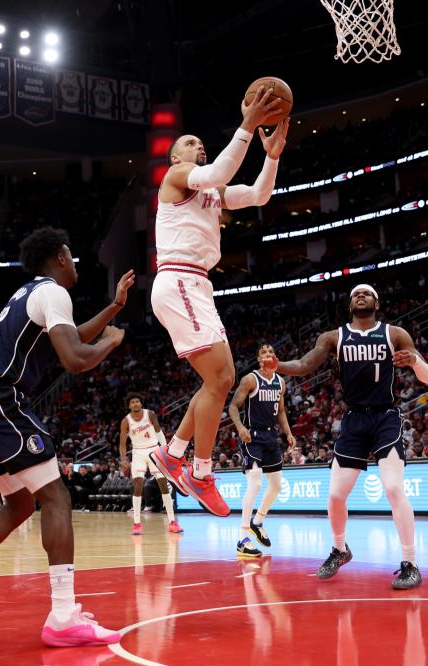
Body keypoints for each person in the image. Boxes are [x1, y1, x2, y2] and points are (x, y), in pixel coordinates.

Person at [0, 227, 133, 647]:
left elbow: (71, 337)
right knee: (57, 496)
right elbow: (74, 358)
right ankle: (63, 615)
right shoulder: (53, 292)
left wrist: (113, 308)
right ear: (58, 256)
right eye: (71, 255)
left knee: (19, 502)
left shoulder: (30, 294)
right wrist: (111, 343)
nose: (75, 264)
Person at [148, 88, 288, 517]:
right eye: (189, 143)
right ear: (175, 159)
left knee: (218, 381)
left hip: (197, 286)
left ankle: (173, 455)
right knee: (222, 377)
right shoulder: (175, 179)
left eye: (199, 143)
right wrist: (246, 125)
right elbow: (221, 169)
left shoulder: (212, 193)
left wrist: (273, 155)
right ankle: (199, 472)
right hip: (178, 280)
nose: (198, 146)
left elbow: (259, 195)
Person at [267, 284, 428, 589]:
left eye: (367, 292)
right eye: (355, 292)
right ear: (349, 305)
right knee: (334, 497)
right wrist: (278, 366)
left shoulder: (394, 334)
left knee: (394, 489)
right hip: (354, 419)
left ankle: (410, 562)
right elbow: (304, 366)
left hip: (386, 416)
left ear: (377, 302)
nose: (360, 295)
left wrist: (415, 362)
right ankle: (340, 550)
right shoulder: (334, 337)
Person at [227, 343, 296, 558]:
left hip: (271, 436)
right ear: (259, 359)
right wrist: (240, 428)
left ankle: (258, 521)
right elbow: (232, 406)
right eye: (264, 353)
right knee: (255, 481)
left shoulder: (280, 382)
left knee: (276, 487)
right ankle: (243, 538)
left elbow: (281, 411)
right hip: (252, 436)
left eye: (271, 352)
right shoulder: (250, 379)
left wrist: (288, 432)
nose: (268, 355)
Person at [118, 394, 181, 535]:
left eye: (137, 401)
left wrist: (166, 450)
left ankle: (172, 522)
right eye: (132, 402)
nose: (135, 404)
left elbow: (159, 433)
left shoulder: (150, 415)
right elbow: (122, 443)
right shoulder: (126, 421)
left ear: (141, 403)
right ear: (129, 406)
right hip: (138, 453)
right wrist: (123, 459)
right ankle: (136, 524)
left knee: (163, 484)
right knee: (138, 484)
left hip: (154, 450)